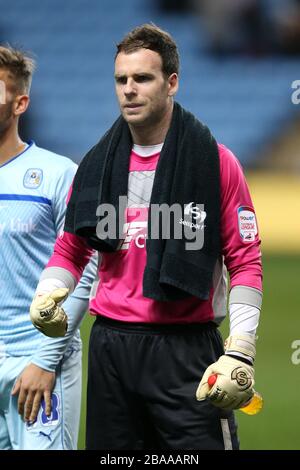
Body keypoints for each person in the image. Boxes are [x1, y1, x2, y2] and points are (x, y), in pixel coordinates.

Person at [30, 24, 263, 450]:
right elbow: (71, 249)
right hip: (112, 350)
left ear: (172, 82)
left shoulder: (216, 163)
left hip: (188, 351)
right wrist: (47, 295)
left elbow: (245, 260)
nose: (129, 90)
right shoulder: (95, 167)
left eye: (142, 78)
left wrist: (241, 349)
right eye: (121, 80)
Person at [0, 45, 97, 450]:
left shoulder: (58, 174)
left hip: (36, 362)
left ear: (20, 102)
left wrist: (45, 360)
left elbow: (85, 271)